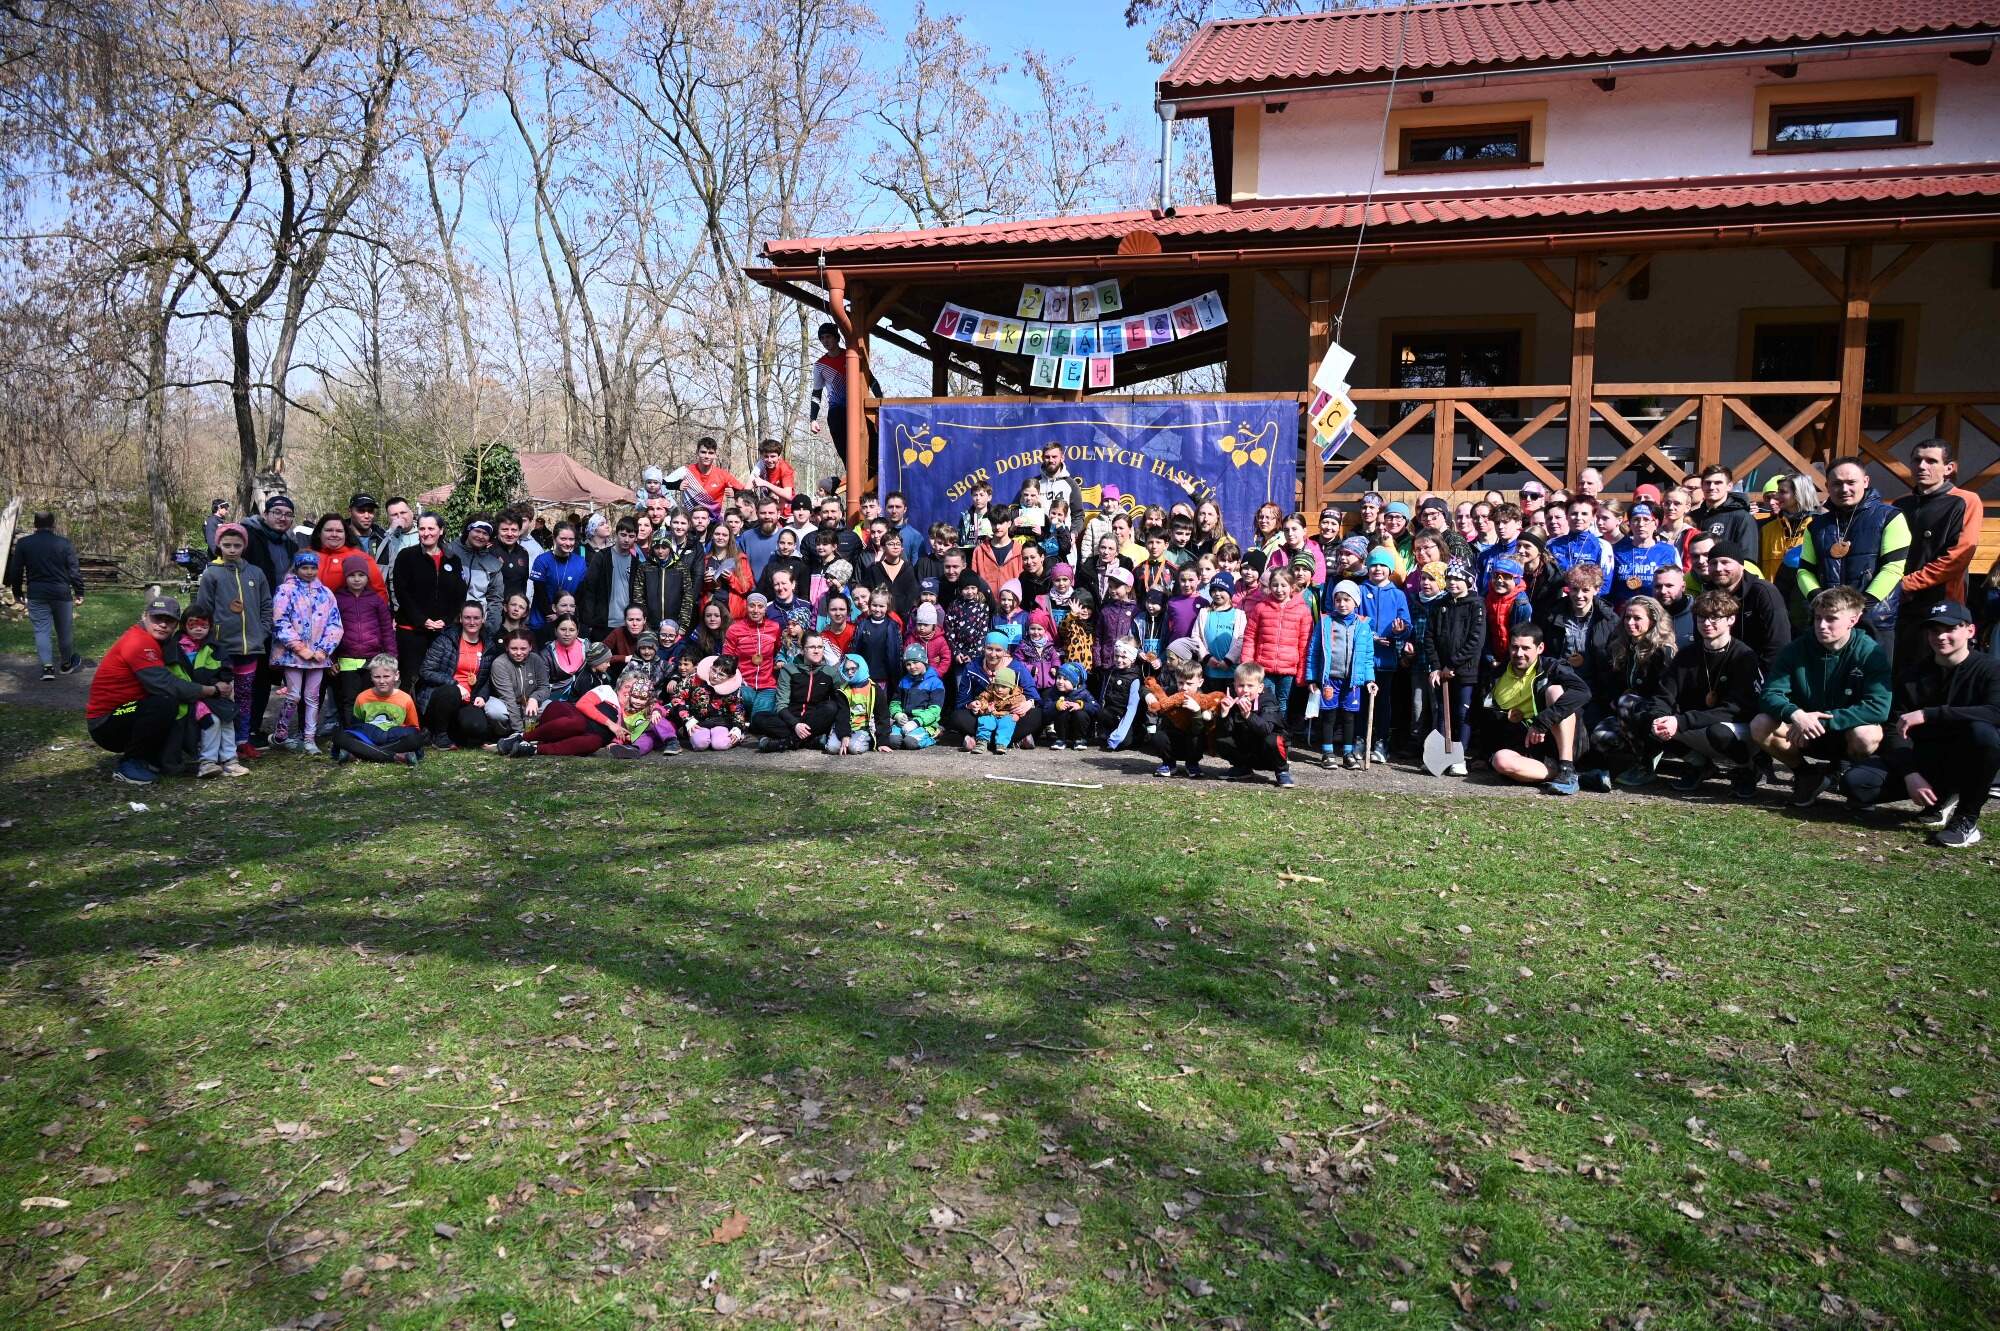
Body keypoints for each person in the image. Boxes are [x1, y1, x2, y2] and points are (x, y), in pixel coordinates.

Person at [1840, 600, 1998, 848]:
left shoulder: (1991, 669)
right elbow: (1894, 728)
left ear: (1970, 630)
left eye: (1950, 629)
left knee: (1983, 733)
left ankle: (1966, 819)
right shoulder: (1912, 675)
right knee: (1856, 783)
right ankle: (1940, 798)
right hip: (1925, 759)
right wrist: (1910, 773)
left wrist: (1929, 714)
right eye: (1934, 630)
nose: (1941, 637)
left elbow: (1995, 712)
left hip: (1967, 757)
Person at [1752, 586, 1891, 807]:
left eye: (1831, 619)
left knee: (1867, 734)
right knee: (1760, 724)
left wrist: (1823, 721)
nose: (1822, 625)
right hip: (1802, 732)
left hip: (1844, 732)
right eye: (1818, 618)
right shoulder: (1796, 649)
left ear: (1853, 620)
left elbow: (1878, 707)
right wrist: (1795, 714)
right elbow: (1770, 693)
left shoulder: (1870, 652)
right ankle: (1807, 775)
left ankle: (1856, 781)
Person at [85, 594, 217, 784]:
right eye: (157, 618)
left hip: (129, 709)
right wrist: (210, 690)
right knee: (164, 702)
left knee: (167, 702)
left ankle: (154, 757)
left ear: (176, 625)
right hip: (105, 722)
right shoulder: (139, 642)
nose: (162, 624)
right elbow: (167, 685)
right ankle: (130, 763)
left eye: (169, 621)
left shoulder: (161, 642)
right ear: (144, 616)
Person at [1651, 590, 1769, 795]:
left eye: (1715, 618)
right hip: (1698, 722)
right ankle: (1699, 765)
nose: (1707, 623)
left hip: (1738, 727)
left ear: (1731, 619)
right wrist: (1658, 718)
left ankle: (1747, 768)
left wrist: (1681, 721)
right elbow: (1664, 694)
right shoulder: (1688, 654)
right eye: (1701, 617)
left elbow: (1734, 709)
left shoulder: (1744, 656)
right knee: (1649, 720)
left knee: (1719, 732)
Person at [1795, 459, 1909, 664]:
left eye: (1851, 482)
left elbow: (1893, 568)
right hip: (1829, 621)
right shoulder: (1815, 526)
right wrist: (1822, 602)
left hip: (1874, 621)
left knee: (1871, 680)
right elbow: (1804, 571)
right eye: (1837, 483)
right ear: (1827, 486)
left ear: (1865, 481)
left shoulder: (1890, 517)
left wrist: (1860, 607)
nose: (1844, 489)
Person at [1894, 440, 1984, 674]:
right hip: (1900, 604)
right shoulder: (1901, 504)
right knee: (1901, 672)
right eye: (1917, 460)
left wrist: (1906, 584)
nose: (1922, 466)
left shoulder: (1966, 500)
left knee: (1938, 673)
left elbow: (1958, 557)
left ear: (1949, 468)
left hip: (1942, 605)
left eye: (1931, 461)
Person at [1477, 624, 1589, 797]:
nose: (1519, 653)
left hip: (1556, 739)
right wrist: (1483, 754)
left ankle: (1567, 766)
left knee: (1555, 691)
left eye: (1526, 648)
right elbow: (1484, 718)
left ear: (1540, 648)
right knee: (1500, 760)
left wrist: (1542, 721)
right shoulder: (1496, 676)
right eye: (1514, 647)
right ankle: (1571, 776)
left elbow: (1583, 692)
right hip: (1524, 747)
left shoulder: (1552, 667)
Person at [269, 552, 343, 752]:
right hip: (293, 655)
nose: (309, 572)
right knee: (294, 695)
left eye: (313, 568)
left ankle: (309, 738)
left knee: (313, 696)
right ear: (297, 568)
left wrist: (324, 650)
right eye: (304, 568)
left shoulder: (325, 593)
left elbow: (335, 624)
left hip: (318, 656)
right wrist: (300, 648)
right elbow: (280, 620)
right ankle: (281, 732)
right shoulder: (285, 590)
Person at [1690, 537, 1791, 673]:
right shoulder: (1706, 597)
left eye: (1725, 562)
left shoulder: (1763, 592)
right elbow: (1700, 642)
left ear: (1741, 565)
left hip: (1760, 673)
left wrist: (1762, 677)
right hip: (1719, 674)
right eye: (1713, 563)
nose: (1718, 568)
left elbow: (1779, 642)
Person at [8, 511, 86, 680]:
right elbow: (74, 571)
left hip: (36, 593)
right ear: (53, 525)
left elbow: (16, 570)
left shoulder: (24, 543)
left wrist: (17, 592)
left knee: (41, 631)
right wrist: (79, 592)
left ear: (34, 525)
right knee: (64, 631)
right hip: (61, 593)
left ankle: (48, 669)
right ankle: (66, 665)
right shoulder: (64, 543)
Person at [393, 513, 468, 686]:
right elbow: (401, 593)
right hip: (412, 631)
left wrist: (446, 620)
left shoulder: (453, 559)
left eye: (431, 528)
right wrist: (422, 620)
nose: (426, 533)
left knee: (439, 680)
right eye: (422, 528)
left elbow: (459, 594)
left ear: (440, 530)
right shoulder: (406, 556)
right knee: (411, 680)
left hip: (442, 631)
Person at [1425, 560, 1484, 774]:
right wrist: (1436, 666)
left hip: (1465, 670)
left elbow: (1475, 639)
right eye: (1449, 578)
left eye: (1458, 579)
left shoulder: (1476, 605)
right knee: (1442, 713)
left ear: (1468, 581)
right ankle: (1441, 757)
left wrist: (1453, 664)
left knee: (1461, 713)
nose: (1452, 583)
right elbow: (1429, 636)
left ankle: (1459, 758)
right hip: (1442, 670)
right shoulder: (1440, 605)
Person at [419, 601, 499, 751]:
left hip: (469, 699)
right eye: (467, 617)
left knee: (477, 727)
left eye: (476, 618)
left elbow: (488, 678)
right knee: (451, 692)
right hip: (443, 695)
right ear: (461, 619)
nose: (472, 622)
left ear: (483, 619)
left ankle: (452, 731)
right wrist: (454, 684)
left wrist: (482, 695)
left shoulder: (489, 645)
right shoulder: (446, 640)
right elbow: (426, 671)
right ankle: (440, 735)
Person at [1313, 580, 1375, 768]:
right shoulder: (1325, 622)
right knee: (1329, 716)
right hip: (1330, 680)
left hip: (1352, 682)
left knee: (1349, 717)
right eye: (1338, 600)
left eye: (1347, 600)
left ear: (1356, 602)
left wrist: (1370, 679)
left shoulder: (1363, 625)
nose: (1342, 604)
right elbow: (1314, 651)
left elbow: (1368, 656)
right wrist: (1311, 678)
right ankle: (1327, 753)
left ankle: (1348, 753)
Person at [753, 632, 849, 752]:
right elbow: (781, 705)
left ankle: (788, 742)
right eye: (812, 647)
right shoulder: (789, 669)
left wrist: (845, 733)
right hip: (791, 721)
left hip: (816, 721)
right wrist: (795, 725)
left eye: (820, 647)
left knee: (831, 707)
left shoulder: (830, 672)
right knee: (758, 718)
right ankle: (811, 741)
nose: (817, 651)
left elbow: (842, 703)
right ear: (803, 650)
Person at [330, 554, 395, 727]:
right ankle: (350, 732)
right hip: (346, 660)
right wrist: (331, 658)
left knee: (371, 697)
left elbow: (387, 630)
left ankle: (370, 731)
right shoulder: (337, 600)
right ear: (345, 577)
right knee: (349, 699)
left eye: (361, 575)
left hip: (372, 660)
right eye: (352, 575)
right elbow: (330, 631)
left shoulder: (376, 600)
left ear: (367, 577)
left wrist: (391, 658)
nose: (357, 579)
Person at [329, 653, 428, 766]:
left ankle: (358, 754)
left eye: (386, 676)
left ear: (396, 676)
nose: (381, 681)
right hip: (369, 737)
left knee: (415, 739)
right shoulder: (362, 697)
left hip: (393, 737)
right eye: (377, 677)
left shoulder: (406, 699)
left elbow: (413, 728)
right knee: (340, 737)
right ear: (371, 677)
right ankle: (397, 757)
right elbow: (357, 725)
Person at [1240, 565, 1312, 719]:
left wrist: (1302, 672)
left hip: (1288, 669)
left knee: (1282, 702)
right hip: (1264, 667)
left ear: (1292, 587)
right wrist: (1247, 663)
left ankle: (1280, 730)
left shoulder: (1303, 611)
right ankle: (1266, 729)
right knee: (1266, 701)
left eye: (1283, 585)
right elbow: (1250, 637)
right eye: (1275, 585)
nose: (1279, 589)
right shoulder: (1260, 608)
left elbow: (1304, 644)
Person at [177, 609, 242, 777]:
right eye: (193, 625)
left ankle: (230, 759)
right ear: (184, 625)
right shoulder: (177, 648)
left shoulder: (215, 647)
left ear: (210, 626)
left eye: (204, 625)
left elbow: (225, 668)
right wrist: (208, 688)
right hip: (191, 697)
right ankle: (207, 762)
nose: (199, 629)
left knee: (227, 717)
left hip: (214, 696)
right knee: (211, 720)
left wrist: (223, 683)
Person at [1215, 661, 1293, 788]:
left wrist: (1248, 715)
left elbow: (1266, 729)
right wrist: (1224, 714)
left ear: (1260, 688)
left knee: (1273, 740)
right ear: (1234, 685)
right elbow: (1226, 731)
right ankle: (1242, 768)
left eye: (1250, 686)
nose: (1245, 690)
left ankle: (1282, 771)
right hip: (1247, 748)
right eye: (1241, 685)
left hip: (1267, 754)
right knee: (1220, 739)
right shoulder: (1232, 700)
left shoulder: (1268, 701)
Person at [1146, 657, 1222, 778]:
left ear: (1200, 682)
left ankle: (1192, 764)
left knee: (1198, 738)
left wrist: (1196, 711)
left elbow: (1199, 730)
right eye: (1181, 683)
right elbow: (1148, 688)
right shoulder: (1171, 692)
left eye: (1189, 684)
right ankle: (1169, 763)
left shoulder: (1204, 699)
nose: (1184, 688)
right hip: (1172, 738)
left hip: (1191, 741)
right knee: (1158, 736)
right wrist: (1148, 695)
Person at [724, 592, 783, 717]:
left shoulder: (775, 627)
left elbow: (779, 651)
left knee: (760, 716)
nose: (756, 610)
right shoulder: (734, 629)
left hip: (768, 684)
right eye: (752, 606)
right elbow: (727, 658)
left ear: (765, 609)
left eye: (760, 606)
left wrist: (779, 661)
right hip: (743, 683)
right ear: (746, 607)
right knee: (748, 704)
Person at [887, 644, 945, 749]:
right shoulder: (903, 681)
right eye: (908, 664)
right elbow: (895, 702)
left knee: (910, 743)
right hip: (904, 720)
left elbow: (935, 710)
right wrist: (897, 714)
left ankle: (935, 734)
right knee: (893, 741)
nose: (912, 667)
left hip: (924, 723)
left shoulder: (935, 683)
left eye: (915, 662)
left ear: (924, 661)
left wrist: (917, 722)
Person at [1691, 465, 1758, 553]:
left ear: (1729, 486)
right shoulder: (1692, 517)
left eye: (1718, 483)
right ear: (1702, 485)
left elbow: (1748, 556)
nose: (1711, 487)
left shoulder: (1742, 518)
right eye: (1708, 483)